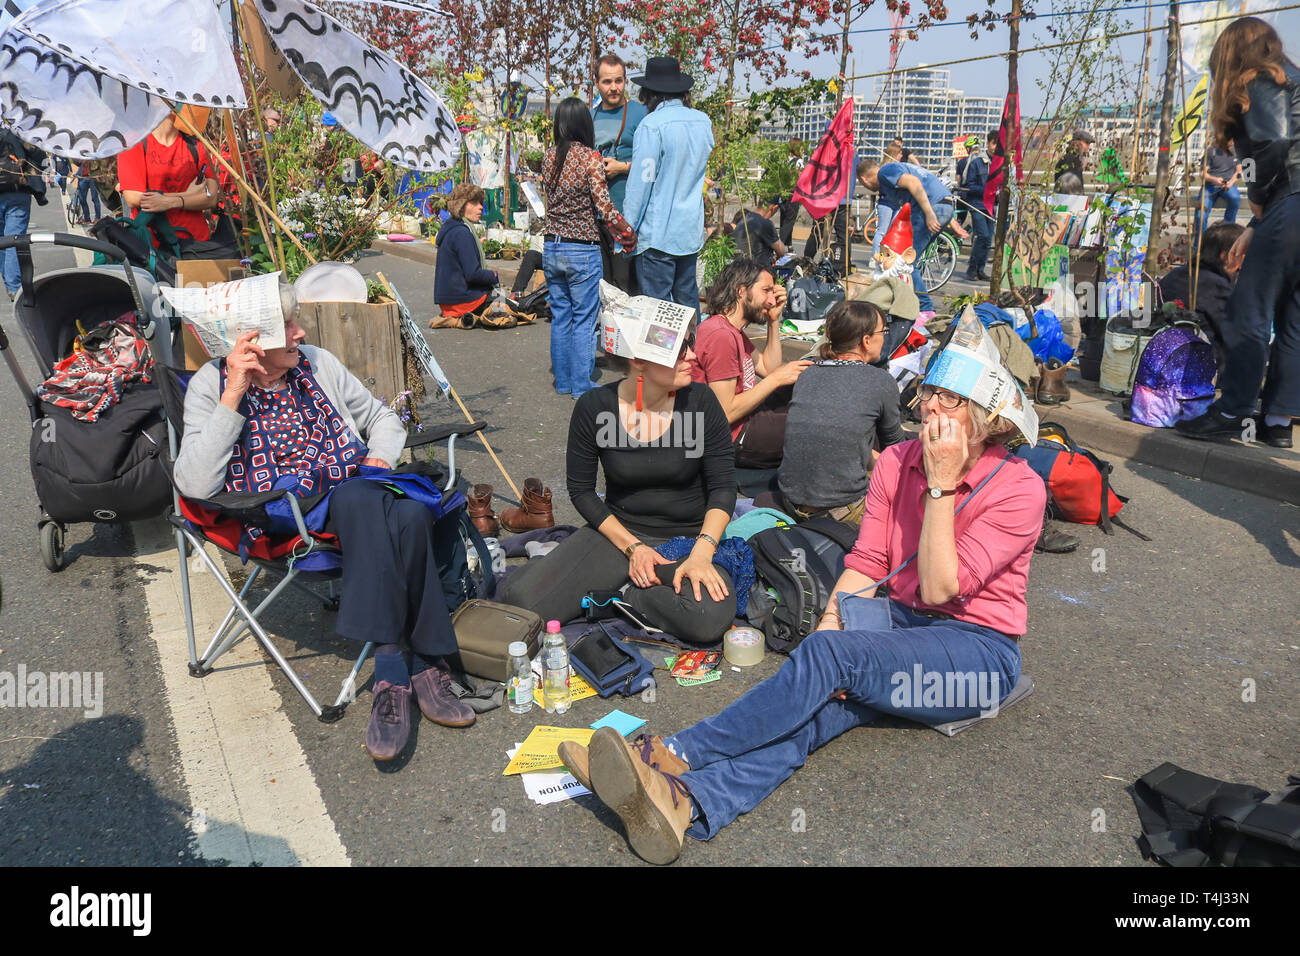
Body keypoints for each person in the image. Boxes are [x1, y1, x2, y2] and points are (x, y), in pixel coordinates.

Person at [557, 361, 1044, 864]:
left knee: (833, 663)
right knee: (816, 703)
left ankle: (672, 753)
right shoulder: (898, 460)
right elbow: (869, 562)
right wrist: (827, 632)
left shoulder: (1019, 489)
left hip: (975, 659)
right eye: (932, 392)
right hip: (898, 627)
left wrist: (940, 485)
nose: (932, 408)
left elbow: (944, 587)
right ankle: (687, 802)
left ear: (989, 420)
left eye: (953, 400)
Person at [173, 283, 477, 762]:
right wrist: (234, 393)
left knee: (409, 508)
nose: (302, 332)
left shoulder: (317, 362)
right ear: (251, 341)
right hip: (281, 507)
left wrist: (378, 457)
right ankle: (417, 664)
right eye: (288, 327)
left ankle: (397, 667)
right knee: (384, 502)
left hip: (360, 489)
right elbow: (193, 481)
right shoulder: (213, 386)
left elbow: (382, 418)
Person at [497, 332, 740, 645]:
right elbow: (582, 490)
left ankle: (627, 596)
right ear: (639, 362)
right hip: (618, 536)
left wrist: (703, 553)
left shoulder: (701, 401)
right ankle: (624, 577)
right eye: (680, 351)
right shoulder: (595, 407)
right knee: (523, 604)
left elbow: (723, 486)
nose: (693, 356)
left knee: (709, 616)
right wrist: (633, 549)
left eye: (690, 345)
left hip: (686, 541)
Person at [1175, 17, 1298, 449]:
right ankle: (1278, 422)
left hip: (1290, 202)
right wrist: (1258, 223)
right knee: (1293, 319)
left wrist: (1261, 200)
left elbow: (1275, 144)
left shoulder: (1261, 83)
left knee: (1250, 310)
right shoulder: (1294, 80)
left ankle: (1234, 412)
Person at [760, 301, 905, 522]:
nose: (885, 337)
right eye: (883, 331)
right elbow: (895, 453)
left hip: (790, 499)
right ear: (866, 340)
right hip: (842, 510)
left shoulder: (807, 375)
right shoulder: (880, 381)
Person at [542, 97, 637, 397]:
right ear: (585, 123)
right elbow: (604, 207)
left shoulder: (548, 157)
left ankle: (564, 381)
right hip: (581, 248)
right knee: (584, 318)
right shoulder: (590, 157)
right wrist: (626, 229)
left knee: (561, 315)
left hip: (552, 246)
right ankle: (581, 385)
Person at [690, 259, 811, 468]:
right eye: (766, 291)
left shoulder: (731, 329)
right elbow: (724, 413)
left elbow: (767, 367)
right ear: (741, 291)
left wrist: (774, 321)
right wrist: (775, 379)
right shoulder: (720, 335)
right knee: (818, 425)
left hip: (746, 417)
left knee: (807, 387)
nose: (772, 301)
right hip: (734, 437)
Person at [623, 57, 714, 318]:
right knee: (687, 307)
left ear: (648, 93)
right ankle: (695, 356)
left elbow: (641, 185)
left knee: (657, 313)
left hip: (657, 235)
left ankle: (665, 360)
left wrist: (627, 231)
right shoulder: (702, 122)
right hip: (689, 232)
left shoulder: (652, 126)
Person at [857, 158, 956, 313]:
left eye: (863, 185)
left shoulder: (885, 172)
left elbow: (914, 183)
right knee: (911, 260)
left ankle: (925, 309)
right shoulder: (890, 178)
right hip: (945, 206)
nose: (868, 189)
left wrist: (930, 213)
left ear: (864, 179)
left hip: (931, 208)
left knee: (904, 263)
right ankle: (910, 301)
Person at [117, 113, 220, 250]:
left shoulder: (196, 145)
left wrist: (173, 201)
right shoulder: (134, 143)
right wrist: (188, 195)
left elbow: (211, 198)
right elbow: (133, 197)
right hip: (152, 245)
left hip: (196, 243)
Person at [592, 53, 648, 295]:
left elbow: (654, 164)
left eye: (619, 81)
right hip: (597, 216)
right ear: (596, 82)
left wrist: (622, 167)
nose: (614, 88)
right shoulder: (590, 115)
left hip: (630, 218)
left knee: (628, 289)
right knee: (605, 288)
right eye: (607, 82)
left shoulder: (640, 113)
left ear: (626, 80)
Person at [1158, 221, 1245, 356]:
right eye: (1243, 254)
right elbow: (1234, 333)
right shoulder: (1215, 285)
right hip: (1197, 359)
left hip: (1164, 352)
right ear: (1225, 256)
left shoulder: (1176, 273)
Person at [433, 182, 500, 326]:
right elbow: (472, 274)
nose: (481, 207)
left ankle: (458, 319)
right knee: (509, 306)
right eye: (474, 203)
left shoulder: (451, 228)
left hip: (447, 302)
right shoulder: (462, 233)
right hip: (463, 300)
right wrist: (493, 275)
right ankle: (461, 320)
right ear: (461, 206)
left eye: (480, 203)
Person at [0, 125, 48, 301]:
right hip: (17, 190)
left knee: (2, 242)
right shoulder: (17, 131)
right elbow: (38, 155)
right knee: (14, 238)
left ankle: (9, 283)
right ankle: (14, 287)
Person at [961, 132, 996, 281]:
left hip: (992, 206)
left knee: (988, 240)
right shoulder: (977, 162)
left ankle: (981, 269)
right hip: (977, 204)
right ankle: (972, 269)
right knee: (982, 236)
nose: (995, 147)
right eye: (993, 143)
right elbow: (969, 186)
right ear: (988, 143)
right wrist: (988, 190)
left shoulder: (1000, 164)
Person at [728, 197, 786, 267]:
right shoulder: (764, 223)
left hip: (739, 266)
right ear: (774, 208)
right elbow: (781, 251)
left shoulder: (746, 218)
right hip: (755, 269)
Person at [1199, 140, 1243, 234]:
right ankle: (1198, 245)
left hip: (1228, 185)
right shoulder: (1211, 151)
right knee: (1200, 215)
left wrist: (1231, 182)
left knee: (1234, 198)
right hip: (1210, 186)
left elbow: (1239, 171)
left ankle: (1227, 234)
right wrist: (1214, 179)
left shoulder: (1236, 151)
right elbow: (1202, 174)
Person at [1053, 129, 1093, 194]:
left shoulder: (1068, 158)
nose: (1088, 147)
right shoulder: (1072, 159)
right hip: (1069, 201)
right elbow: (1070, 186)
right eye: (1087, 143)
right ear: (1077, 143)